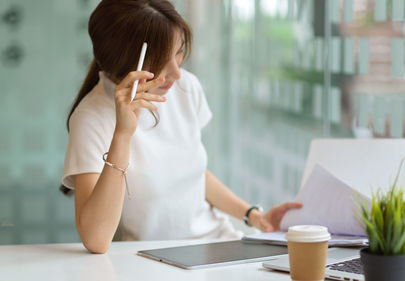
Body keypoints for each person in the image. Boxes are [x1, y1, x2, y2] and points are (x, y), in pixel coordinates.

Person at [60, 0, 302, 254]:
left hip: (215, 245)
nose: (176, 73)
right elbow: (96, 239)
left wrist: (253, 216)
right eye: (161, 62)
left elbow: (194, 174)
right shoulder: (91, 118)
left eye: (178, 52)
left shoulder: (186, 87)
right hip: (153, 260)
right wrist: (122, 135)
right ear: (126, 62)